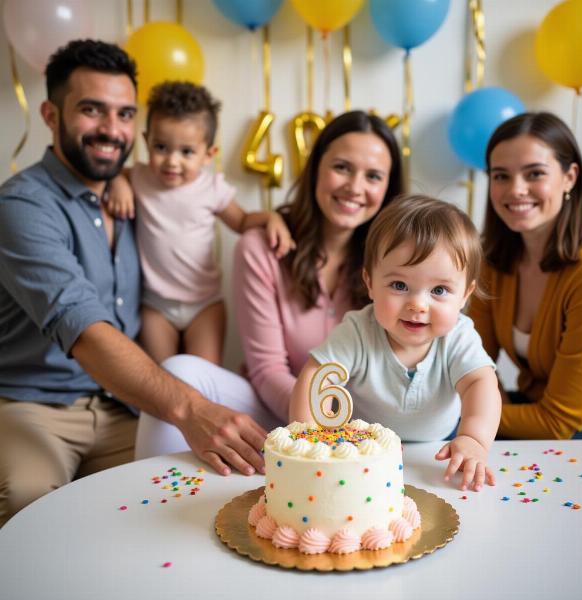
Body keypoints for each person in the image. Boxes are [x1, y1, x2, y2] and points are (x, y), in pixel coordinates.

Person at [0, 40, 265, 528]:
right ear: (51, 115)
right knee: (30, 500)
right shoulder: (22, 206)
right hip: (34, 404)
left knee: (198, 493)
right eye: (91, 110)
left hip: (124, 404)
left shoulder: (132, 192)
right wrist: (192, 408)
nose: (110, 129)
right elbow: (79, 323)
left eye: (123, 114)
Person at [134, 110, 405, 460]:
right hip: (276, 410)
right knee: (178, 373)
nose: (355, 187)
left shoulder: (399, 260)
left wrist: (351, 432)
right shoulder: (262, 246)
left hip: (367, 425)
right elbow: (267, 370)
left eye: (373, 176)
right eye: (341, 167)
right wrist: (317, 428)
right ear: (316, 169)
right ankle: (154, 501)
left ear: (387, 188)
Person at [289, 195, 501, 492]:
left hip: (438, 450)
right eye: (399, 285)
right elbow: (316, 377)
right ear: (370, 283)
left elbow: (480, 383)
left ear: (465, 295)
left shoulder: (459, 337)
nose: (418, 304)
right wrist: (311, 439)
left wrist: (474, 439)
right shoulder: (358, 331)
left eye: (439, 290)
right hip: (363, 455)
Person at [106, 81, 294, 365]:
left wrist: (271, 217)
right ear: (145, 141)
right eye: (161, 147)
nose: (172, 161)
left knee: (203, 377)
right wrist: (118, 181)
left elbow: (242, 221)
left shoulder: (211, 188)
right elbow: (115, 173)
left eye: (186, 152)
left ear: (209, 154)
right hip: (155, 304)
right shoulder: (141, 178)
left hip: (204, 304)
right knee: (161, 377)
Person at [468, 112, 582, 439]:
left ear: (570, 177)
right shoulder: (493, 263)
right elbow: (472, 360)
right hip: (528, 408)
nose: (516, 190)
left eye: (535, 174)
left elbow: (558, 423)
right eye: (500, 176)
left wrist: (471, 416)